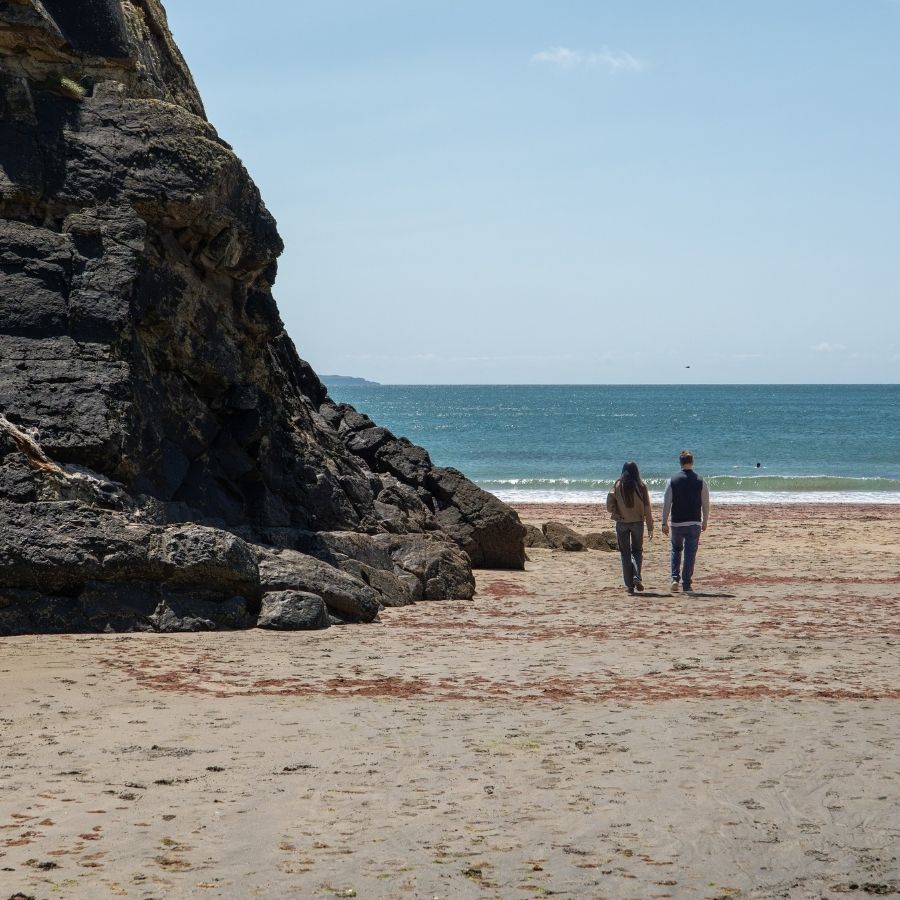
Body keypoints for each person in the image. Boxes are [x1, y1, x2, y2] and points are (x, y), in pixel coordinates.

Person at [661, 449, 710, 594]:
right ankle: (686, 583)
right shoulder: (701, 481)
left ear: (680, 463)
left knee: (676, 550)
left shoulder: (673, 481)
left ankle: (675, 578)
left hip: (677, 523)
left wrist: (664, 522)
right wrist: (705, 520)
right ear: (692, 462)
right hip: (694, 522)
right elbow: (705, 503)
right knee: (690, 553)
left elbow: (667, 502)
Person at [606, 461, 654, 595]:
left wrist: (616, 510)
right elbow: (647, 508)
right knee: (637, 551)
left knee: (625, 553)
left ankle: (629, 586)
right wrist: (650, 526)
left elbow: (609, 506)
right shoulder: (641, 486)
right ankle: (636, 576)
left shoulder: (617, 485)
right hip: (637, 523)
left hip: (622, 523)